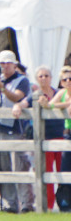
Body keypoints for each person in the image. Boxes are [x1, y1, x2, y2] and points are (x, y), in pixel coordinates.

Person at [0, 50, 33, 213]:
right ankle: (10, 203)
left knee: (20, 166)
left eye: (8, 63)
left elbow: (16, 97)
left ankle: (26, 204)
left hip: (16, 128)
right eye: (2, 63)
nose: (5, 66)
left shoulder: (22, 80)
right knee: (3, 167)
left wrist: (1, 87)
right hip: (0, 127)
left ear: (15, 64)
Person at [36, 65, 71, 210]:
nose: (68, 81)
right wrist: (45, 103)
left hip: (64, 135)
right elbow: (49, 105)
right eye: (65, 79)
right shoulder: (62, 92)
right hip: (67, 134)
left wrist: (57, 105)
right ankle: (64, 203)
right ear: (61, 82)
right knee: (64, 170)